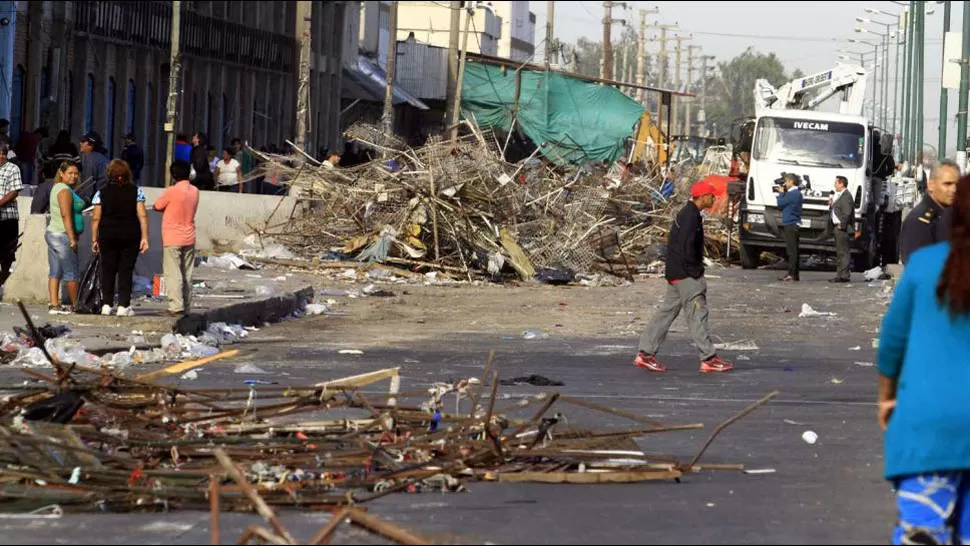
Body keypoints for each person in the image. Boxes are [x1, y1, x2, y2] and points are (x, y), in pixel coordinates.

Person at [877, 174, 970, 546]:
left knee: (923, 531)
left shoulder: (925, 266)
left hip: (928, 425)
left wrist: (886, 397)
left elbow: (891, 344)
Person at [633, 181, 734, 374]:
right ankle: (708, 357)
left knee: (665, 314)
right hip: (686, 276)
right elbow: (687, 248)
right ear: (702, 196)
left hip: (675, 274)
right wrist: (695, 272)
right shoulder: (690, 217)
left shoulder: (688, 214)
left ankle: (645, 353)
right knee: (698, 315)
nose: (713, 198)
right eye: (711, 196)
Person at [91, 160, 150, 317]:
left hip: (107, 234)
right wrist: (145, 237)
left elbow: (96, 218)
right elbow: (142, 215)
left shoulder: (101, 192)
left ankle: (106, 305)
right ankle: (124, 306)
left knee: (108, 269)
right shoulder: (136, 191)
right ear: (127, 174)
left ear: (109, 174)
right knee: (126, 270)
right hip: (130, 234)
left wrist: (94, 239)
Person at [153, 160, 199, 317]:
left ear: (173, 175)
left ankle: (175, 306)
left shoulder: (171, 191)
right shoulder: (195, 191)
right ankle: (186, 305)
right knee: (187, 273)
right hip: (190, 235)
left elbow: (157, 206)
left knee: (173, 273)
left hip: (172, 236)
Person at [900, 159, 959, 265]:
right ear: (931, 185)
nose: (954, 189)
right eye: (947, 184)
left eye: (957, 184)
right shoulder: (920, 222)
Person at [45, 162, 85, 314]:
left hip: (53, 233)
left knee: (55, 271)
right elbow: (65, 214)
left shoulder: (58, 187)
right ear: (61, 173)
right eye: (70, 173)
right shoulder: (64, 190)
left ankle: (54, 305)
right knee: (71, 272)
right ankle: (76, 305)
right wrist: (72, 237)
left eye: (76, 173)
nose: (74, 176)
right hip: (62, 235)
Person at [0, 143, 23, 288]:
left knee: (7, 255)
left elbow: (14, 191)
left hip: (7, 218)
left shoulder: (12, 169)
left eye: (4, 153)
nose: (1, 156)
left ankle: (1, 283)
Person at [775, 173, 804, 282]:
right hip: (793, 223)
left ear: (791, 182)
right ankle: (794, 274)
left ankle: (792, 274)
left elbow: (780, 204)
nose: (785, 184)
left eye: (786, 182)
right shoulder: (796, 193)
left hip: (791, 224)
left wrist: (781, 194)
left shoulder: (793, 194)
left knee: (792, 251)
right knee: (793, 250)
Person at [828, 176, 855, 283]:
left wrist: (842, 224)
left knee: (843, 252)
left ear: (841, 184)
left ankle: (844, 275)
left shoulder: (846, 196)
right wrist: (832, 205)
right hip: (837, 227)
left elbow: (847, 212)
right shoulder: (841, 196)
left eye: (836, 183)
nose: (835, 185)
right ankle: (840, 274)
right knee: (840, 252)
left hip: (842, 228)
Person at [78, 132, 108, 202]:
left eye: (83, 141)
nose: (80, 143)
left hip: (97, 200)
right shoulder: (102, 157)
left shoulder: (90, 159)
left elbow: (88, 187)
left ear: (91, 145)